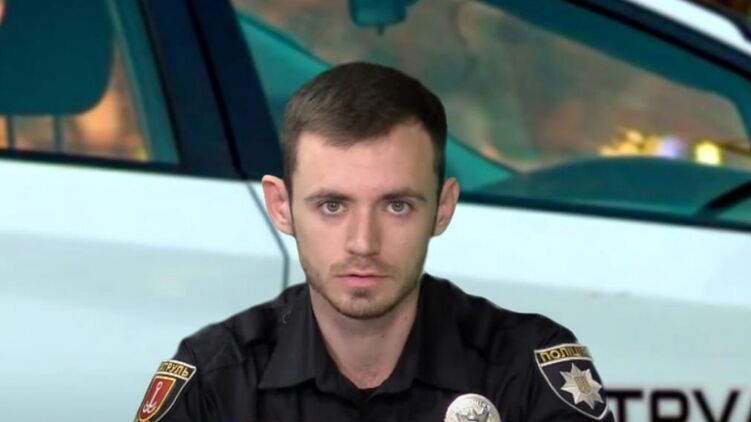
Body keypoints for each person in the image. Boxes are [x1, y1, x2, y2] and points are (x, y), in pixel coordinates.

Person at [134, 62, 615, 422]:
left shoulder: (523, 366)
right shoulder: (216, 377)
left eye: (397, 205)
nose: (363, 242)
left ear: (442, 208)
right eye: (332, 206)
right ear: (282, 207)